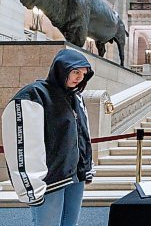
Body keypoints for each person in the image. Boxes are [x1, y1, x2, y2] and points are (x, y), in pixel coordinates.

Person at [2, 49, 95, 226]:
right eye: (75, 72)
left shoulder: (75, 98)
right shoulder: (34, 96)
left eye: (83, 74)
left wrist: (86, 167)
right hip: (50, 179)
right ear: (62, 68)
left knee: (70, 223)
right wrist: (31, 185)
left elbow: (83, 134)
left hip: (75, 176)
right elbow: (24, 144)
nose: (79, 78)